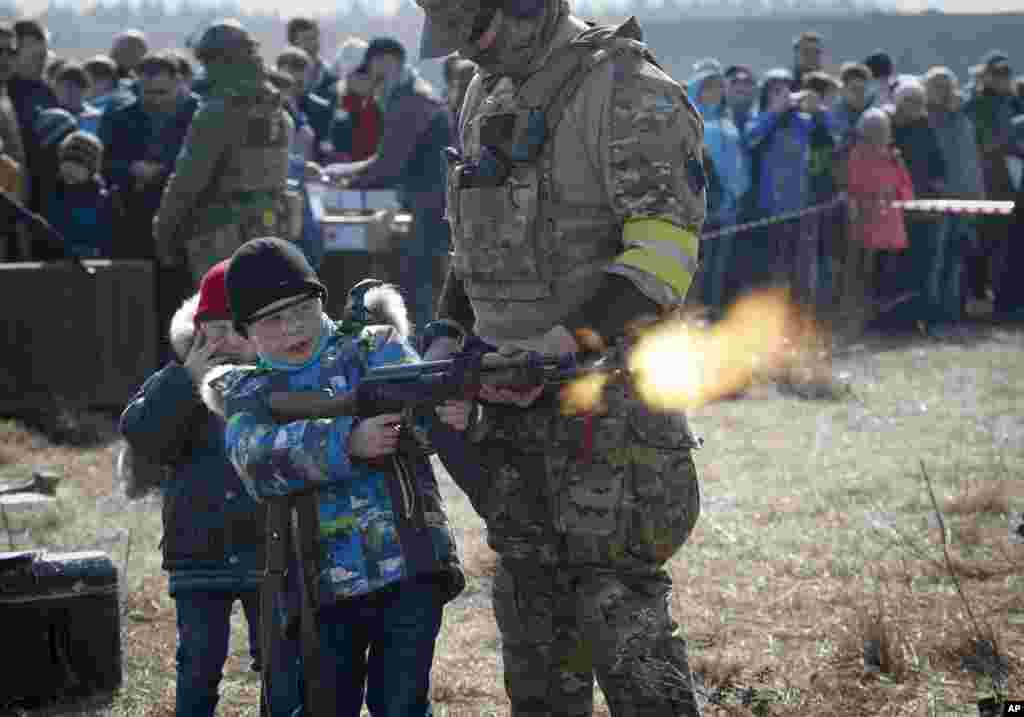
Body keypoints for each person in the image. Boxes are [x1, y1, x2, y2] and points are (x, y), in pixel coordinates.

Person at [415, 0, 706, 712]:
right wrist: (450, 332)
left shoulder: (629, 92)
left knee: (623, 626)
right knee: (532, 628)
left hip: (609, 422)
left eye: (477, 34)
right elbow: (476, 247)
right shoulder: (488, 91)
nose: (470, 54)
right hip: (513, 425)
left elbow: (662, 257)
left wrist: (564, 341)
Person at [204, 236, 469, 717]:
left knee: (403, 705)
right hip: (316, 589)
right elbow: (255, 460)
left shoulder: (376, 348)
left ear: (321, 300)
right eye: (272, 320)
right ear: (246, 333)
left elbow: (424, 412)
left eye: (301, 310)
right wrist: (347, 441)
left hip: (408, 568)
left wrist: (451, 414)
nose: (291, 329)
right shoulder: (249, 390)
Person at [120, 260, 300, 717]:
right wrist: (184, 380)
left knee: (283, 666)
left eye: (232, 329)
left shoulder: (278, 379)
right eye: (210, 329)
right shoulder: (180, 381)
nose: (220, 342)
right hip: (198, 552)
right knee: (198, 666)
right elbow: (140, 431)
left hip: (270, 553)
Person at [153, 19, 296, 286]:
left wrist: (164, 231)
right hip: (270, 232)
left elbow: (188, 182)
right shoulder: (276, 110)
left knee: (222, 319)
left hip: (221, 237)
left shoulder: (217, 112)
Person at [328, 36, 453, 335]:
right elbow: (386, 158)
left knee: (417, 284)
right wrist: (342, 172)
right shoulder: (414, 94)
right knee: (424, 281)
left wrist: (344, 185)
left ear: (387, 60)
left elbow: (388, 166)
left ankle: (421, 348)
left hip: (429, 204)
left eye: (374, 68)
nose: (373, 77)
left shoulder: (409, 100)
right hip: (433, 200)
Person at [834, 108, 913, 340]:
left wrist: (900, 197)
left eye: (882, 129)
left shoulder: (894, 156)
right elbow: (852, 187)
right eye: (873, 129)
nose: (879, 134)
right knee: (863, 276)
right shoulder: (855, 155)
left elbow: (906, 188)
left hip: (892, 227)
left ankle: (885, 322)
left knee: (887, 276)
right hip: (866, 228)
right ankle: (859, 322)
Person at [924, 67, 985, 335]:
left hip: (963, 198)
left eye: (946, 85)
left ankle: (952, 312)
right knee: (935, 257)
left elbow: (970, 160)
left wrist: (977, 194)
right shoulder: (923, 120)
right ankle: (933, 312)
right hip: (934, 200)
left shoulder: (962, 119)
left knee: (958, 255)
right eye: (937, 85)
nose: (943, 90)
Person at [962, 50, 1024, 313]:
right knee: (985, 241)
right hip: (987, 181)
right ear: (985, 76)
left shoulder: (1012, 102)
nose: (1002, 78)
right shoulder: (974, 104)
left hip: (1011, 181)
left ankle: (1005, 298)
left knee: (1010, 242)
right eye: (997, 74)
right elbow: (986, 143)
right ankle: (979, 297)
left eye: (1006, 73)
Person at [885, 78, 947, 332]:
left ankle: (920, 318)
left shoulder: (925, 126)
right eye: (909, 101)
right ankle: (894, 319)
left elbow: (938, 162)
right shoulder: (886, 125)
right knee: (894, 264)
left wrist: (939, 183)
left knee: (922, 263)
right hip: (891, 208)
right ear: (898, 102)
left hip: (923, 208)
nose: (914, 106)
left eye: (918, 102)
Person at [689, 64, 749, 314]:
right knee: (697, 266)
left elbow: (739, 162)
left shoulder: (728, 122)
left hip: (730, 207)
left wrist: (739, 190)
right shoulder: (692, 121)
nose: (714, 93)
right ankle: (692, 315)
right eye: (708, 88)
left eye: (718, 88)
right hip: (703, 206)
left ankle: (711, 311)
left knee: (720, 264)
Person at [45, 131, 114, 258]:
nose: (70, 168)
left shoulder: (103, 200)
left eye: (78, 162)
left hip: (92, 263)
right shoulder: (54, 194)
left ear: (91, 169)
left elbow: (107, 240)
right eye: (66, 161)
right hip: (57, 262)